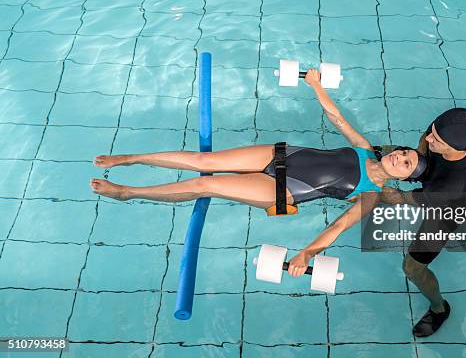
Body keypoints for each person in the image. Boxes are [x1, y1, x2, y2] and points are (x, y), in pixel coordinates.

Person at [90, 69, 427, 276]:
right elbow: (337, 118)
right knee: (202, 161)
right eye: (403, 151)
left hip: (280, 190)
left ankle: (128, 192)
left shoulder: (369, 195)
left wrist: (308, 253)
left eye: (407, 162)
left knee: (202, 185)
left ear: (403, 177)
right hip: (281, 155)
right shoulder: (365, 147)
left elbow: (339, 226)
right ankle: (131, 158)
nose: (400, 156)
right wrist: (315, 85)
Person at [381, 108, 466, 337]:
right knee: (390, 155)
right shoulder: (447, 129)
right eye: (432, 131)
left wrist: (369, 185)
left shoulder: (449, 187)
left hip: (446, 212)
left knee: (412, 268)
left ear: (456, 149)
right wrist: (407, 162)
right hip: (435, 186)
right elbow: (424, 141)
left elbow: (399, 198)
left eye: (435, 138)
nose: (428, 137)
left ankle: (439, 308)